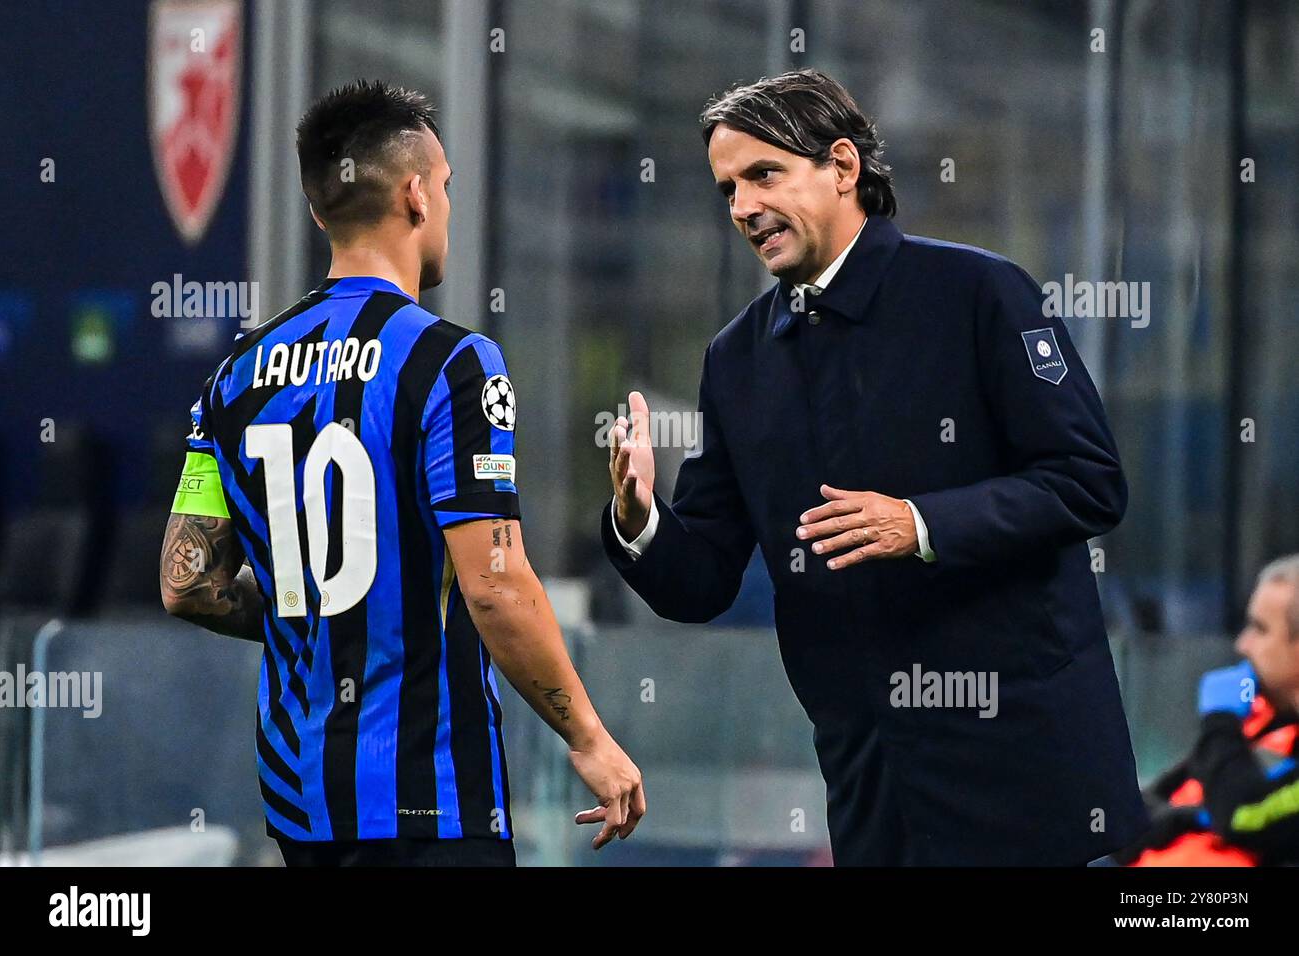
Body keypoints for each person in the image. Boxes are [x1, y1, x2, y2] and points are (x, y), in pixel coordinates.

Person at [603, 69, 1145, 865]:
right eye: (727, 189)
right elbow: (705, 577)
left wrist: (920, 524)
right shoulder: (736, 360)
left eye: (764, 174)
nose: (743, 207)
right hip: (872, 788)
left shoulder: (980, 292)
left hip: (1023, 771)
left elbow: (1087, 479)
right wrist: (639, 517)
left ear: (844, 168)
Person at [160, 80, 644, 866]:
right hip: (430, 800)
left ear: (320, 212)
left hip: (301, 804)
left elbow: (186, 582)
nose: (448, 203)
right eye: (446, 185)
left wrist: (308, 610)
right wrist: (588, 737)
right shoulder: (453, 363)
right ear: (417, 194)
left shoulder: (233, 380)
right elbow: (494, 581)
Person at [1116, 555, 1299, 866]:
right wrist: (1188, 818)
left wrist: (1221, 721)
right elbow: (1136, 813)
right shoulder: (1262, 720)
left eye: (1260, 629)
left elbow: (1243, 816)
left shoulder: (1228, 724)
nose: (1243, 644)